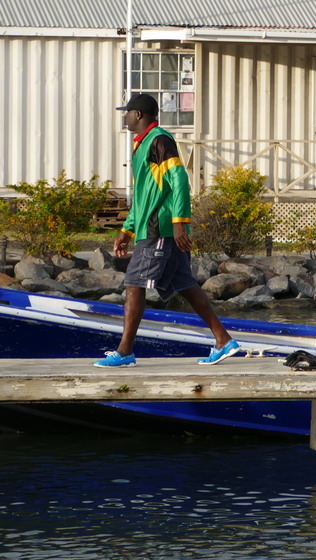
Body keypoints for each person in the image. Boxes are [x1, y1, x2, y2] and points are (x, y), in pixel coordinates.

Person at [94, 93, 242, 368]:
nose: (124, 116)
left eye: (127, 112)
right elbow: (144, 196)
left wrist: (178, 222)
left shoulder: (160, 140)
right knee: (186, 285)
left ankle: (125, 351)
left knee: (134, 284)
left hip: (160, 230)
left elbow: (178, 179)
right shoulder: (142, 146)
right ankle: (224, 341)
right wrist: (126, 231)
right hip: (151, 229)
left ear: (138, 115)